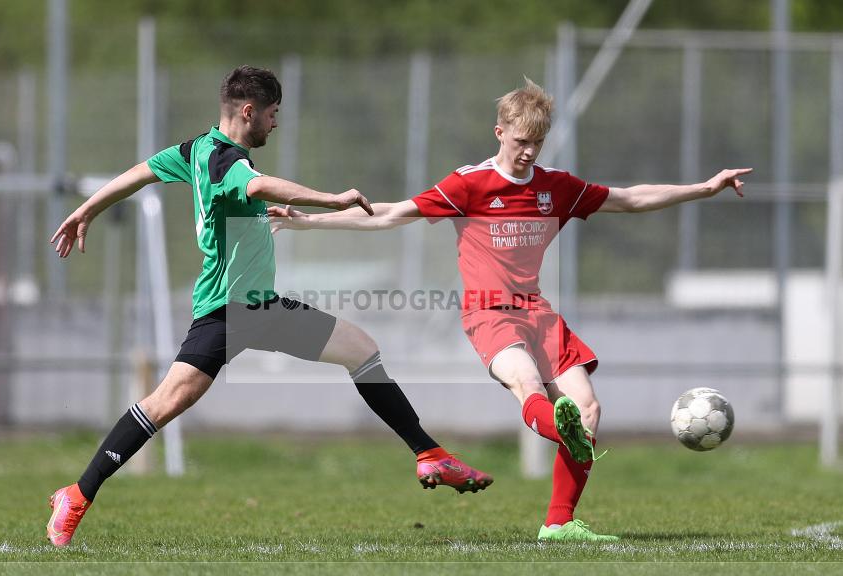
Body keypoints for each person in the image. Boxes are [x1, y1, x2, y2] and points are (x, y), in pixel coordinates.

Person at [270, 76, 751, 541]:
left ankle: (559, 524)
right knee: (526, 383)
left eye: (537, 143)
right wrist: (309, 224)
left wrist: (703, 189)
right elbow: (392, 214)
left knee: (588, 407)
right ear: (500, 132)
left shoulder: (556, 187)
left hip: (538, 313)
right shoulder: (469, 184)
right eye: (521, 140)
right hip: (488, 313)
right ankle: (562, 433)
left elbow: (629, 199)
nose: (529, 151)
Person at [45, 65, 492, 548]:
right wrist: (331, 199)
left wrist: (87, 208)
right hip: (226, 310)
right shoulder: (223, 158)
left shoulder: (195, 149)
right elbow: (254, 185)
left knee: (362, 350)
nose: (276, 124)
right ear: (248, 111)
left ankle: (429, 454)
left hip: (262, 307)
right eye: (273, 114)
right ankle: (77, 493)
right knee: (167, 402)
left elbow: (139, 175)